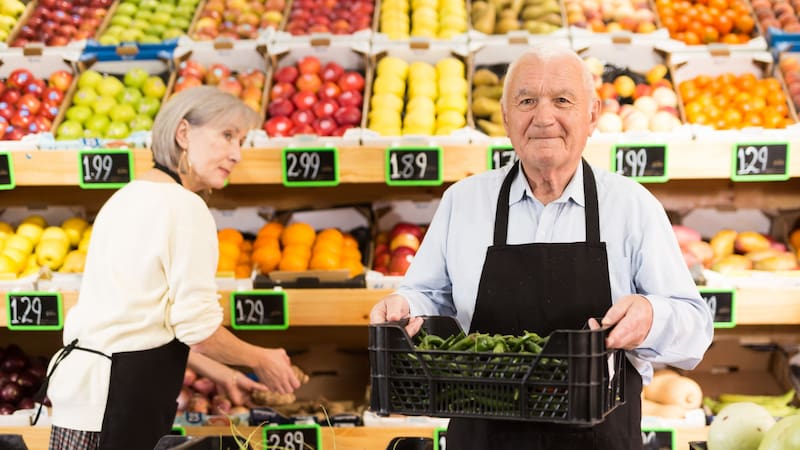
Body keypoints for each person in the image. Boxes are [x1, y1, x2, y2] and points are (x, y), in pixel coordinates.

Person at [370, 46, 714, 449]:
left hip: (599, 438)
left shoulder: (632, 206)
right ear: (505, 115)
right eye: (527, 101)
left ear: (592, 115)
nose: (544, 117)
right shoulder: (463, 202)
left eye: (562, 101)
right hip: (484, 436)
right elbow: (428, 296)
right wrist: (404, 307)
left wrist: (652, 316)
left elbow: (696, 328)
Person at [44, 86, 301, 450]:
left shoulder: (125, 196)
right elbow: (197, 328)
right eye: (227, 135)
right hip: (120, 400)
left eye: (241, 141)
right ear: (183, 133)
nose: (237, 154)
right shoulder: (184, 207)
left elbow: (141, 316)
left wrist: (224, 374)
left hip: (84, 399)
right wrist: (262, 359)